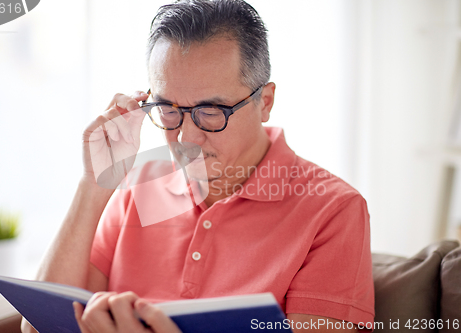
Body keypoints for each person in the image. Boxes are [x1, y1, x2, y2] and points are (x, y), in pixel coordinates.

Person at [22, 0, 374, 332]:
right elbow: (39, 326)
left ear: (264, 102)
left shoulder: (333, 210)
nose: (186, 138)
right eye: (169, 110)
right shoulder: (141, 184)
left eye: (211, 112)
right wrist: (93, 185)